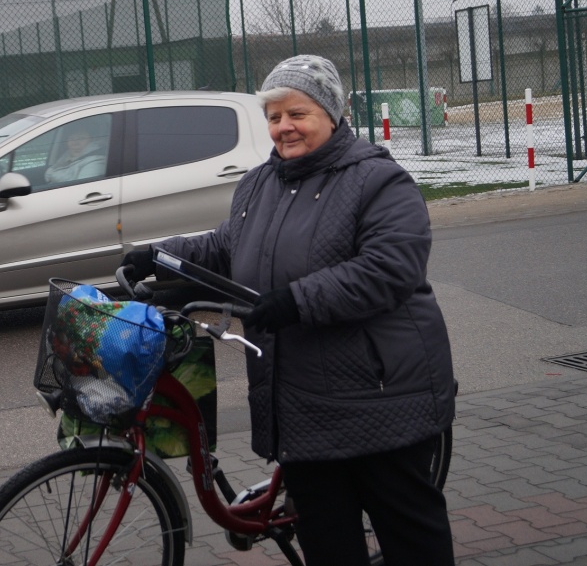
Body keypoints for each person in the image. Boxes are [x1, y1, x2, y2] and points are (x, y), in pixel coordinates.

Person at [123, 55, 456, 565]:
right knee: (326, 543)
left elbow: (389, 269)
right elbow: (225, 245)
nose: (284, 127)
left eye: (297, 113)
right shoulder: (261, 183)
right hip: (300, 402)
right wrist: (161, 256)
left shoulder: (379, 181)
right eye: (274, 116)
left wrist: (297, 299)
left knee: (411, 542)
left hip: (379, 397)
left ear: (333, 113)